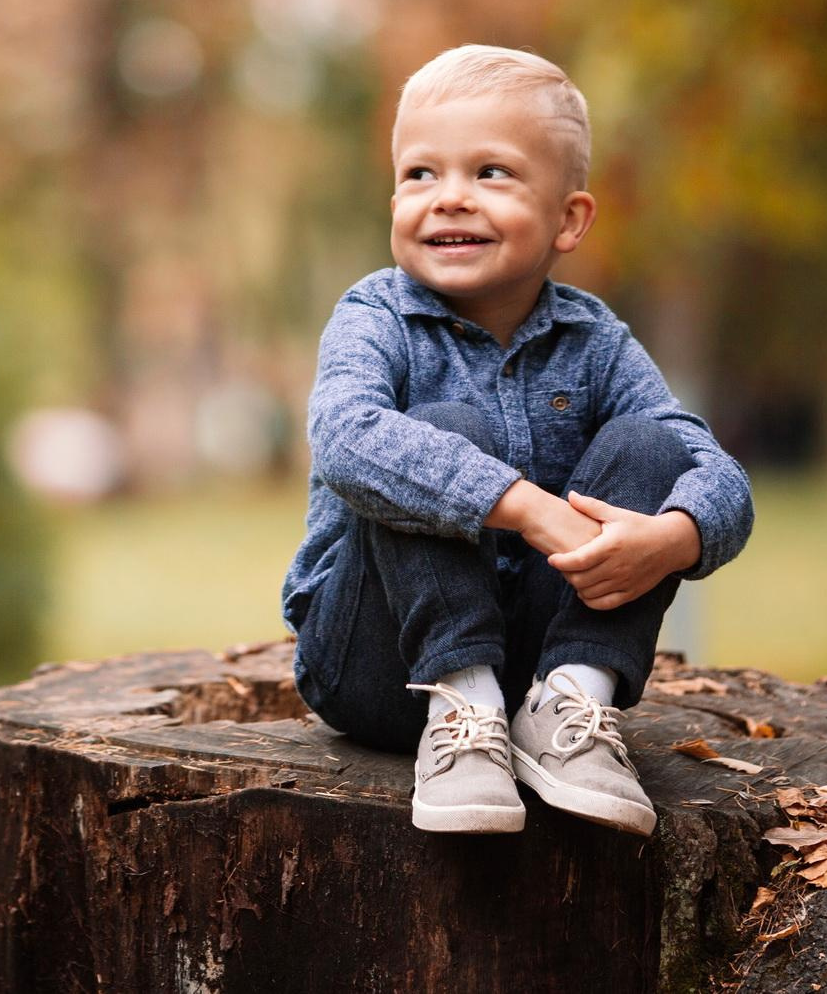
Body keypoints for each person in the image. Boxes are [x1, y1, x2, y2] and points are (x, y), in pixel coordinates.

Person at [281, 45, 754, 835]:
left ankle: (574, 705)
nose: (449, 199)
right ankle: (461, 709)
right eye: (420, 174)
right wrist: (527, 506)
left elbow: (715, 469)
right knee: (439, 431)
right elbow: (344, 440)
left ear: (569, 219)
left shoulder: (595, 341)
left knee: (652, 446)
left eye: (490, 173)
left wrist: (674, 538)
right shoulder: (375, 317)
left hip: (531, 667)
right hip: (379, 666)